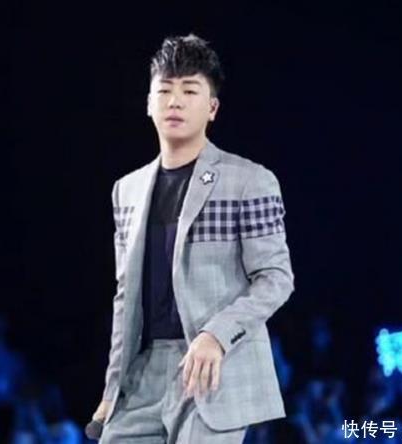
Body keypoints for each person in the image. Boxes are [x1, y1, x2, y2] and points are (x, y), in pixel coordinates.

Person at [91, 34, 295, 443]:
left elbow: (276, 278)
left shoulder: (249, 181)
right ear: (148, 104)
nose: (175, 101)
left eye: (189, 91)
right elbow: (125, 298)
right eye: (164, 90)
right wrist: (111, 390)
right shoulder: (126, 191)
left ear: (212, 108)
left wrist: (216, 334)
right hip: (143, 373)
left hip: (215, 369)